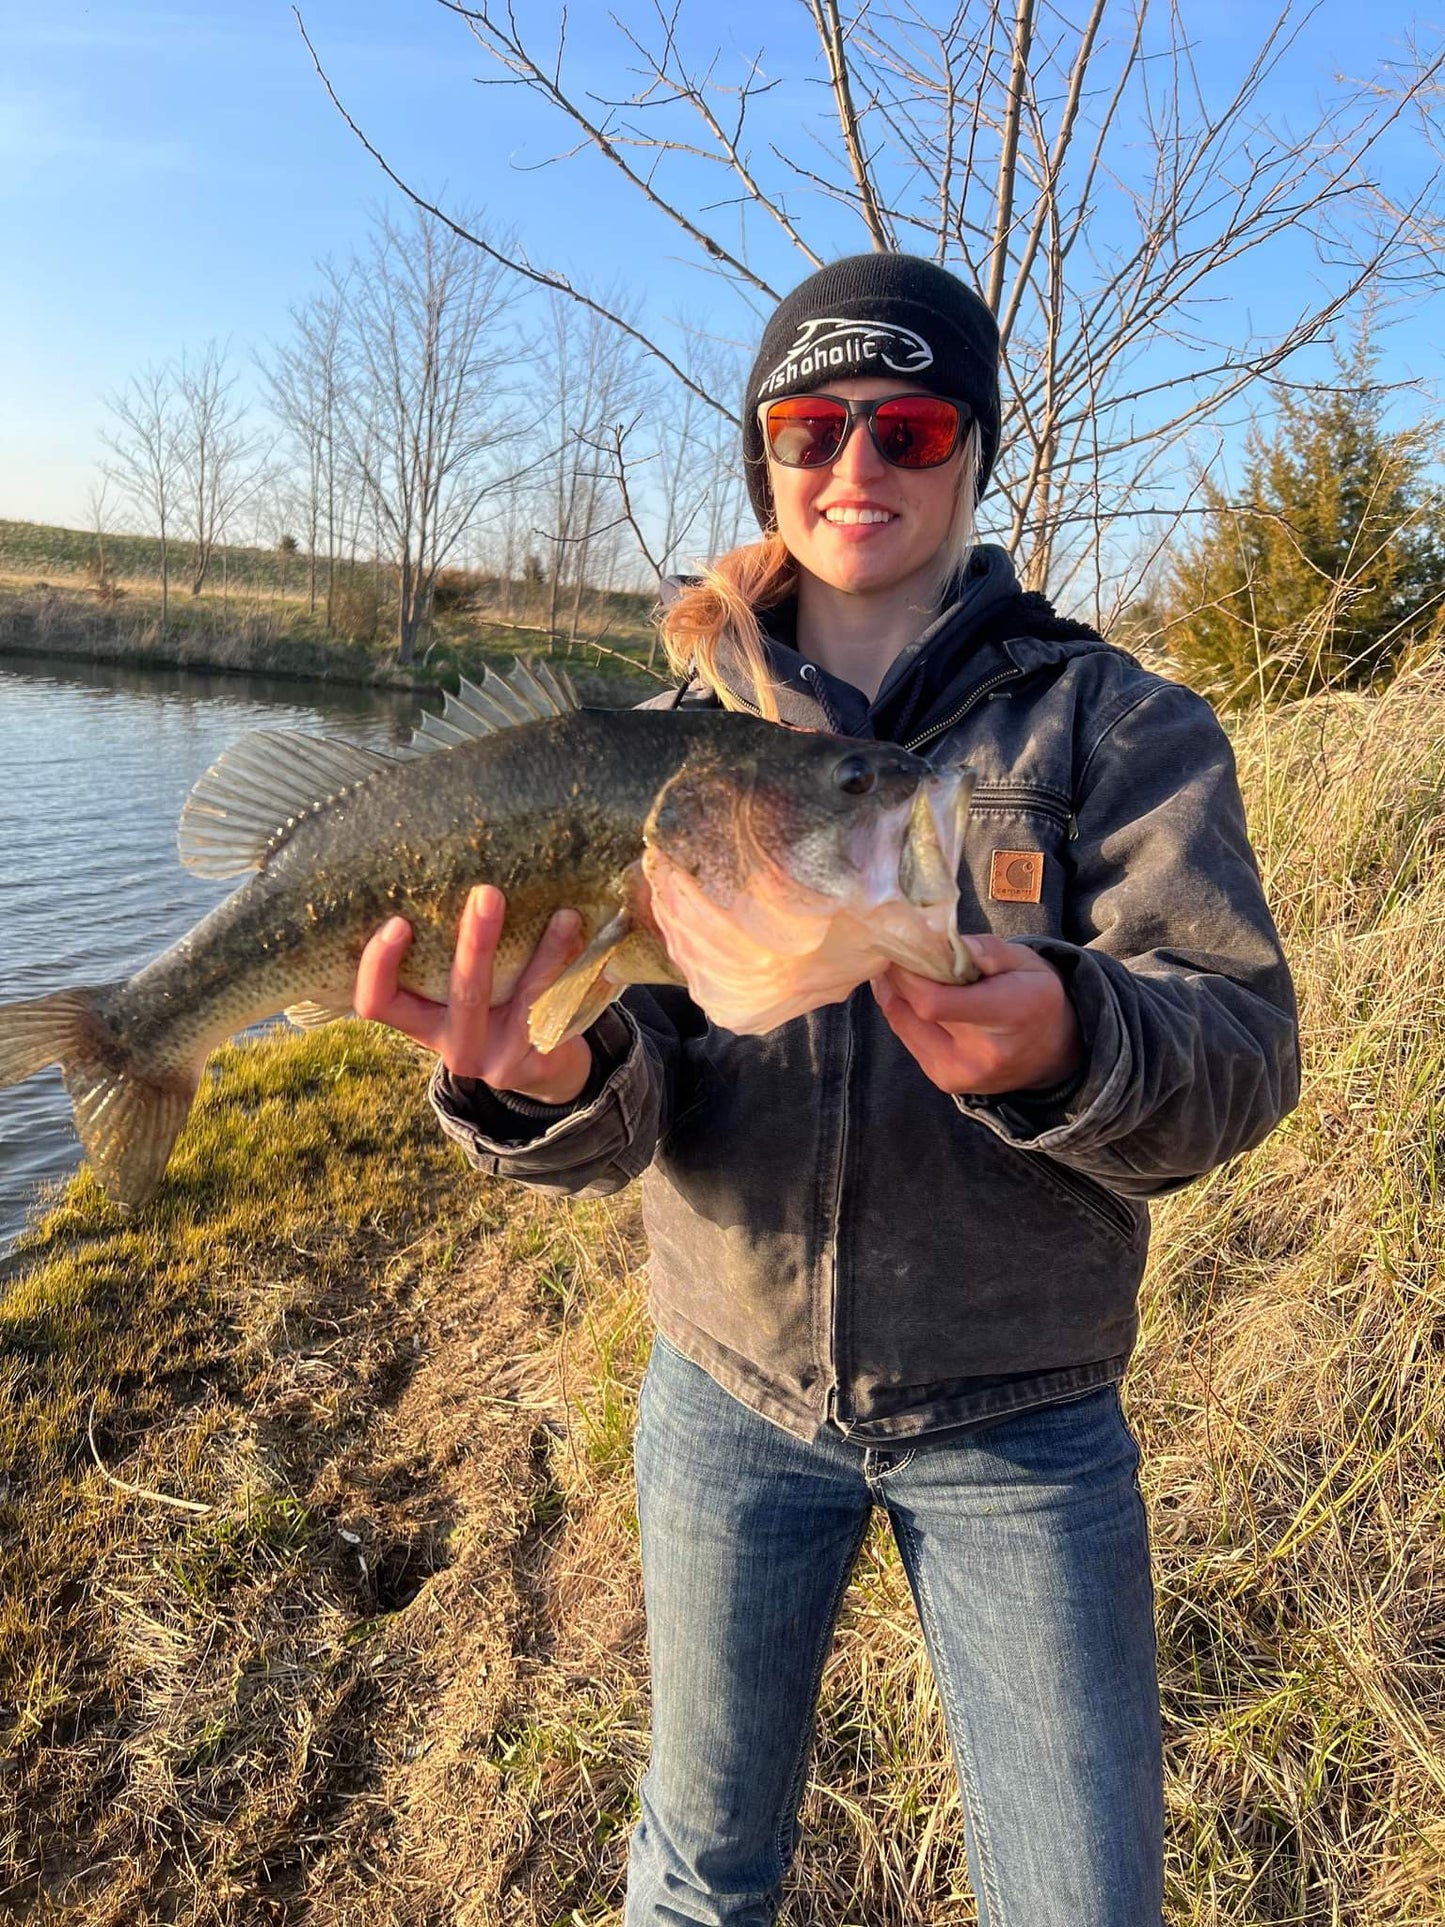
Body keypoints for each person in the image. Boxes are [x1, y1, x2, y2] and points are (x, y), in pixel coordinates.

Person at [353, 253, 1299, 1927]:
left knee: (1080, 1898)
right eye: (808, 427)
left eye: (910, 424)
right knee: (700, 1870)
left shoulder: (1110, 725)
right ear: (763, 457)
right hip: (723, 1401)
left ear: (973, 449)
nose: (854, 468)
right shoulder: (657, 746)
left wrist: (1074, 1042)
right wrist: (540, 1086)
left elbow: (1237, 1045)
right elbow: (634, 1095)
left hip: (1027, 1419)